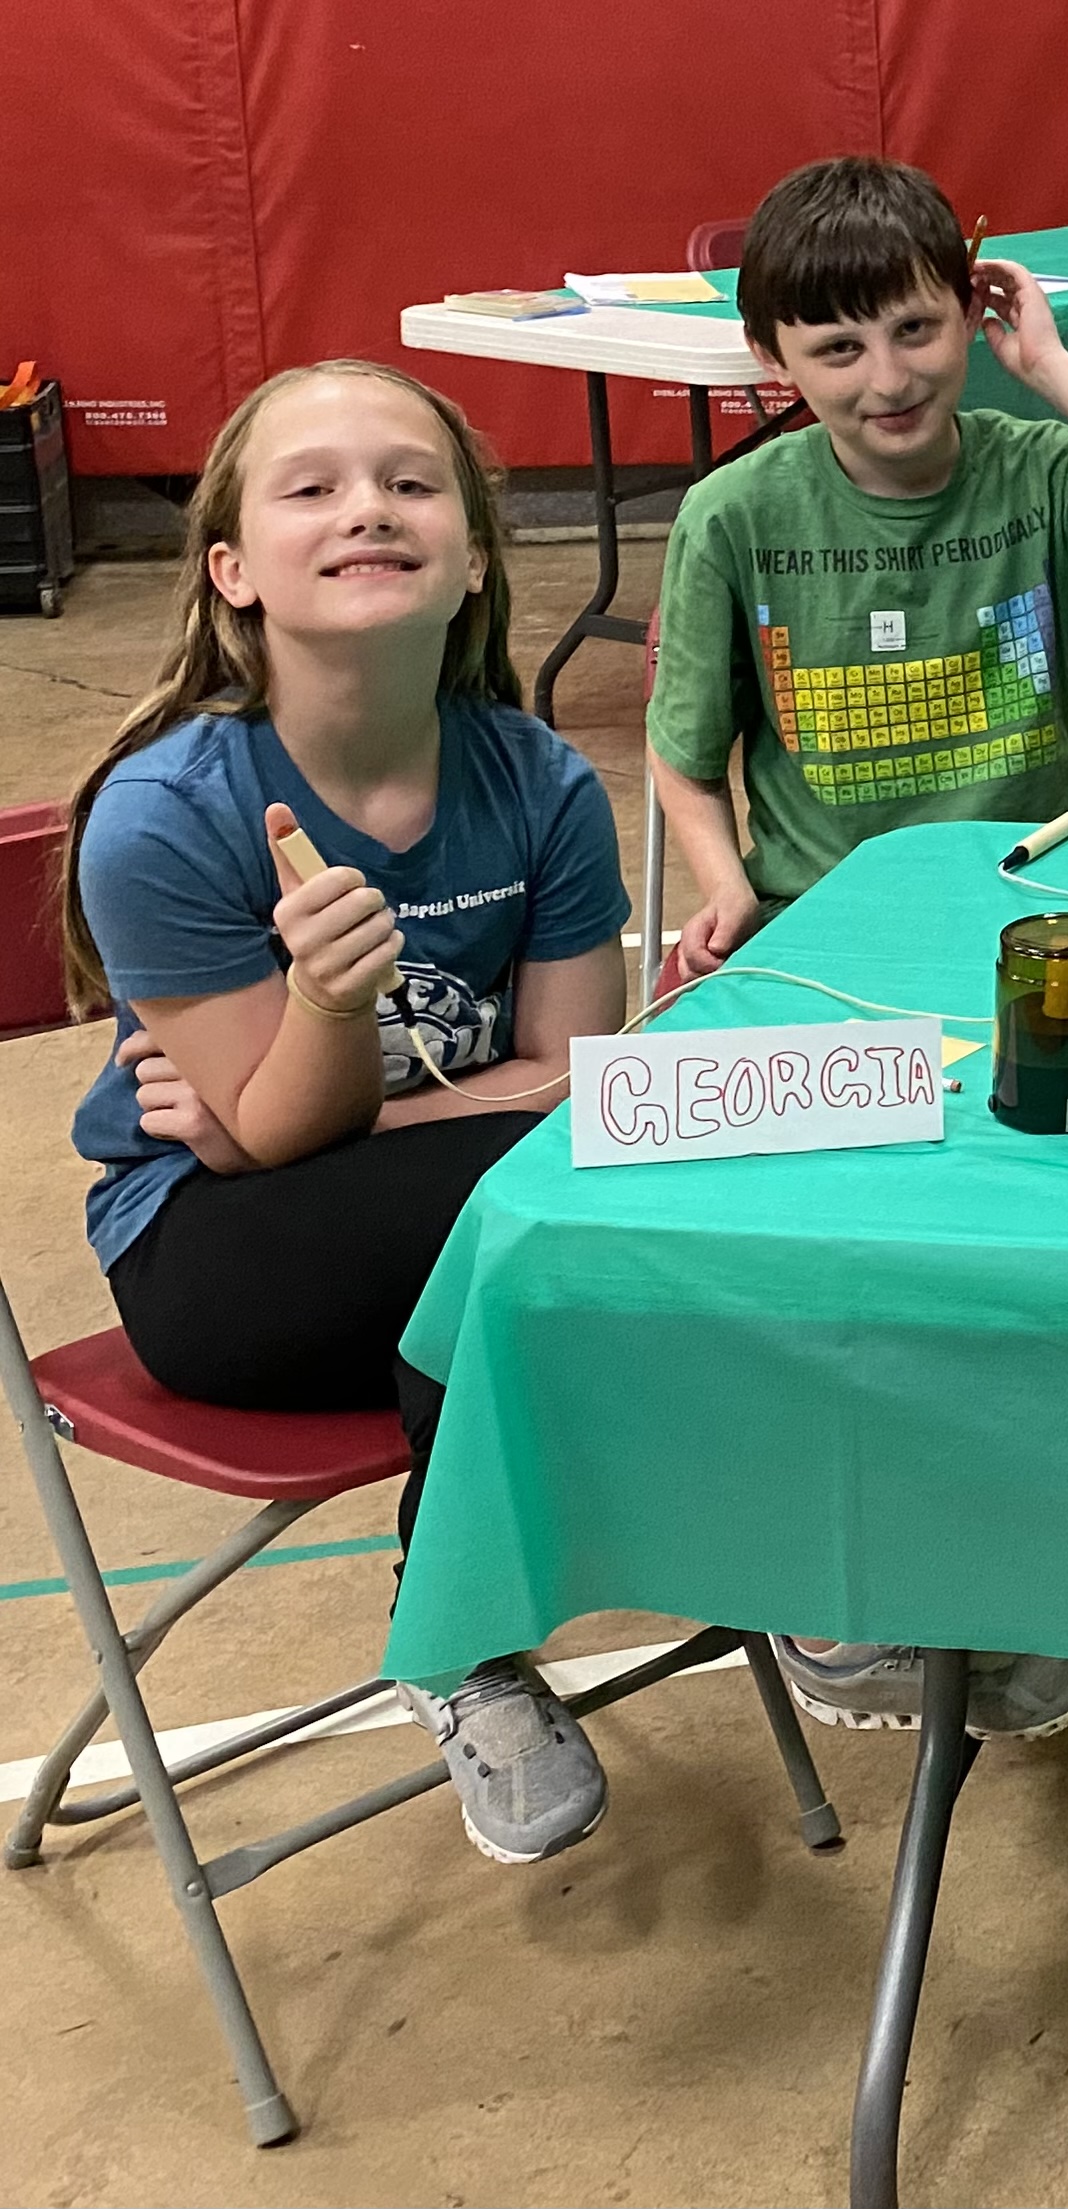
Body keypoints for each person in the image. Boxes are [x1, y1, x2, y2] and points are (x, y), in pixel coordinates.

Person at [646, 152, 1068, 1738]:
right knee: (808, 1285)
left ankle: (1053, 1584)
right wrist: (718, 882)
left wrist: (1052, 363)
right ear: (774, 363)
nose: (885, 376)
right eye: (834, 349)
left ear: (966, 318)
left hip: (1035, 959)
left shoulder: (1039, 469)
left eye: (917, 330)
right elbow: (680, 753)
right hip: (817, 951)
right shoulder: (734, 516)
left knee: (1053, 1282)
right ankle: (840, 1591)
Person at [61, 360, 629, 1866]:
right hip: (213, 1256)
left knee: (568, 1186)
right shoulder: (169, 810)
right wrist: (323, 1011)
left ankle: (766, 1580)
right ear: (234, 571)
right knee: (540, 1184)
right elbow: (271, 1154)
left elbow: (580, 1075)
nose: (367, 507)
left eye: (411, 482)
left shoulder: (541, 782)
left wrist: (292, 1103)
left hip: (424, 1211)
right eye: (311, 486)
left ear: (476, 556)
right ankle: (453, 1633)